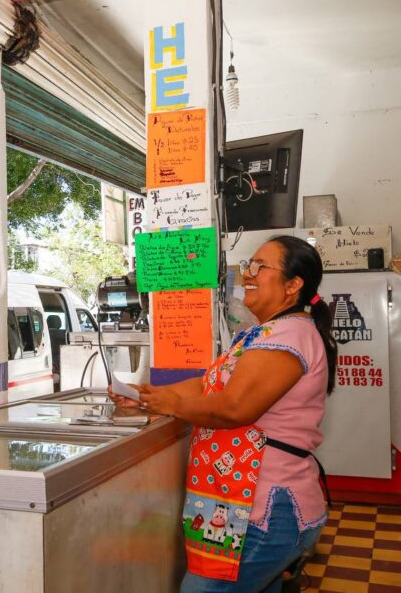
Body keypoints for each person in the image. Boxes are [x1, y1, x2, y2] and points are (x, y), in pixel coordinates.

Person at [111, 235, 337, 592]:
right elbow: (208, 385)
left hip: (264, 507)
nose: (249, 273)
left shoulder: (291, 335)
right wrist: (148, 396)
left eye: (262, 267)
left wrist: (168, 404)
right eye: (250, 264)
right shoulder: (258, 334)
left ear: (293, 285)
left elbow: (234, 408)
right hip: (239, 503)